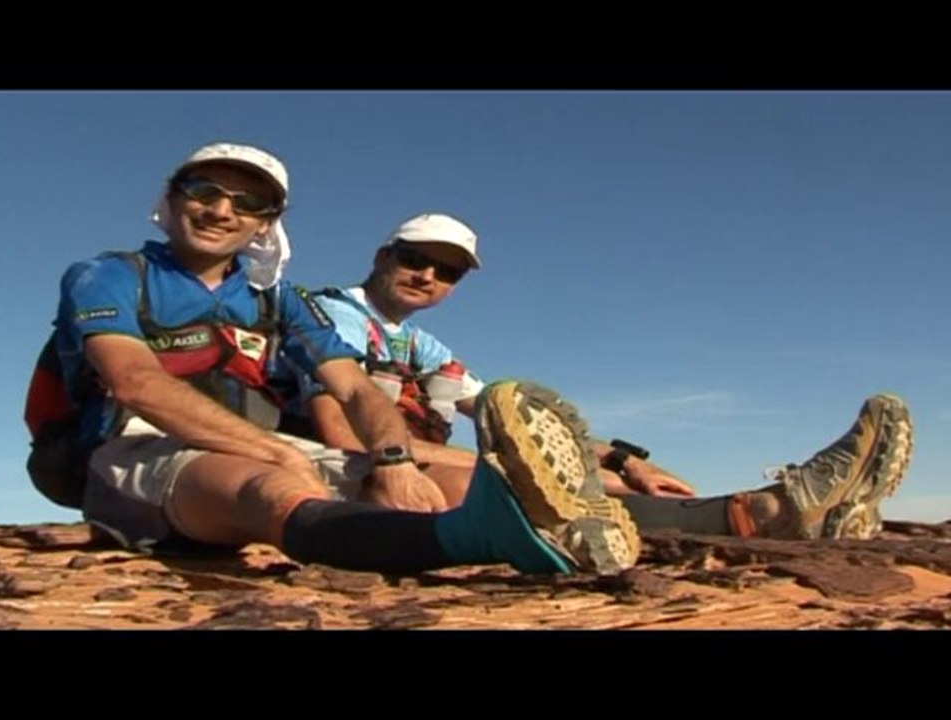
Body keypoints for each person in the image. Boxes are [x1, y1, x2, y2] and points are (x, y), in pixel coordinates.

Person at [33, 140, 669, 578]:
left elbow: (358, 391)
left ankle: (686, 520)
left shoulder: (279, 299)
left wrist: (393, 461)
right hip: (136, 445)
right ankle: (462, 542)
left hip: (260, 443)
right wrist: (276, 450)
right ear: (170, 200)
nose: (222, 209)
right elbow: (135, 382)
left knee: (462, 483)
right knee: (270, 486)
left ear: (266, 225)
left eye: (248, 203)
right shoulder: (112, 274)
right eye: (204, 189)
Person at [286, 212, 915, 541]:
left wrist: (627, 458)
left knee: (564, 465)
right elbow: (341, 430)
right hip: (350, 467)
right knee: (520, 482)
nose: (427, 276)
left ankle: (770, 512)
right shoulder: (327, 316)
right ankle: (768, 512)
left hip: (409, 463)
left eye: (446, 272)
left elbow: (500, 413)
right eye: (415, 259)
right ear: (382, 256)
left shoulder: (423, 344)